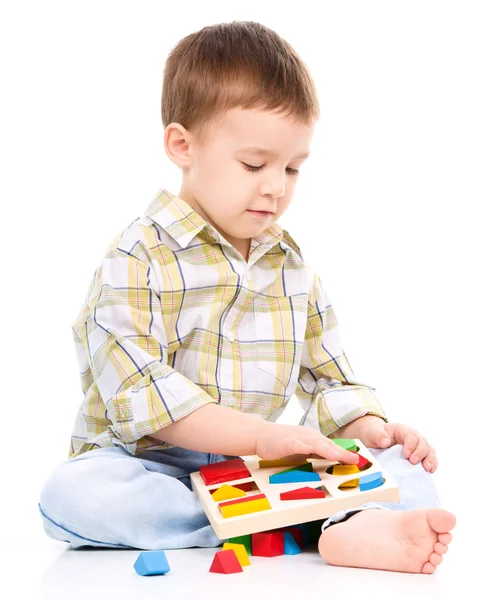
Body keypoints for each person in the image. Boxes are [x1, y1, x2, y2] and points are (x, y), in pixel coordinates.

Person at [38, 20, 455, 574]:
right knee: (74, 493)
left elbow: (329, 380)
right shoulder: (136, 257)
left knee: (408, 467)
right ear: (182, 145)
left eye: (292, 168)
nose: (276, 187)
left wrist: (371, 429)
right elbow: (145, 397)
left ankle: (333, 521)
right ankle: (307, 520)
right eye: (255, 165)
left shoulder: (290, 265)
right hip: (155, 469)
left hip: (265, 471)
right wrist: (266, 437)